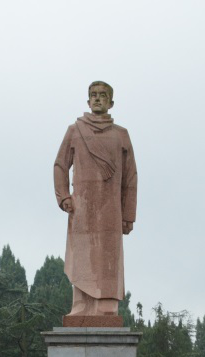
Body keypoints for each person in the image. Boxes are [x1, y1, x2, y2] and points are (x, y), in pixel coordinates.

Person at [53, 80, 138, 319]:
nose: (97, 98)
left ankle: (106, 304)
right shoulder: (75, 130)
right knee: (82, 254)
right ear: (88, 100)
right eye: (93, 95)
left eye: (103, 95)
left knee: (108, 256)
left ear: (111, 102)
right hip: (83, 205)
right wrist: (63, 197)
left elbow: (130, 177)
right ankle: (80, 304)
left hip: (111, 208)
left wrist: (128, 214)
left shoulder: (121, 135)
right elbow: (60, 165)